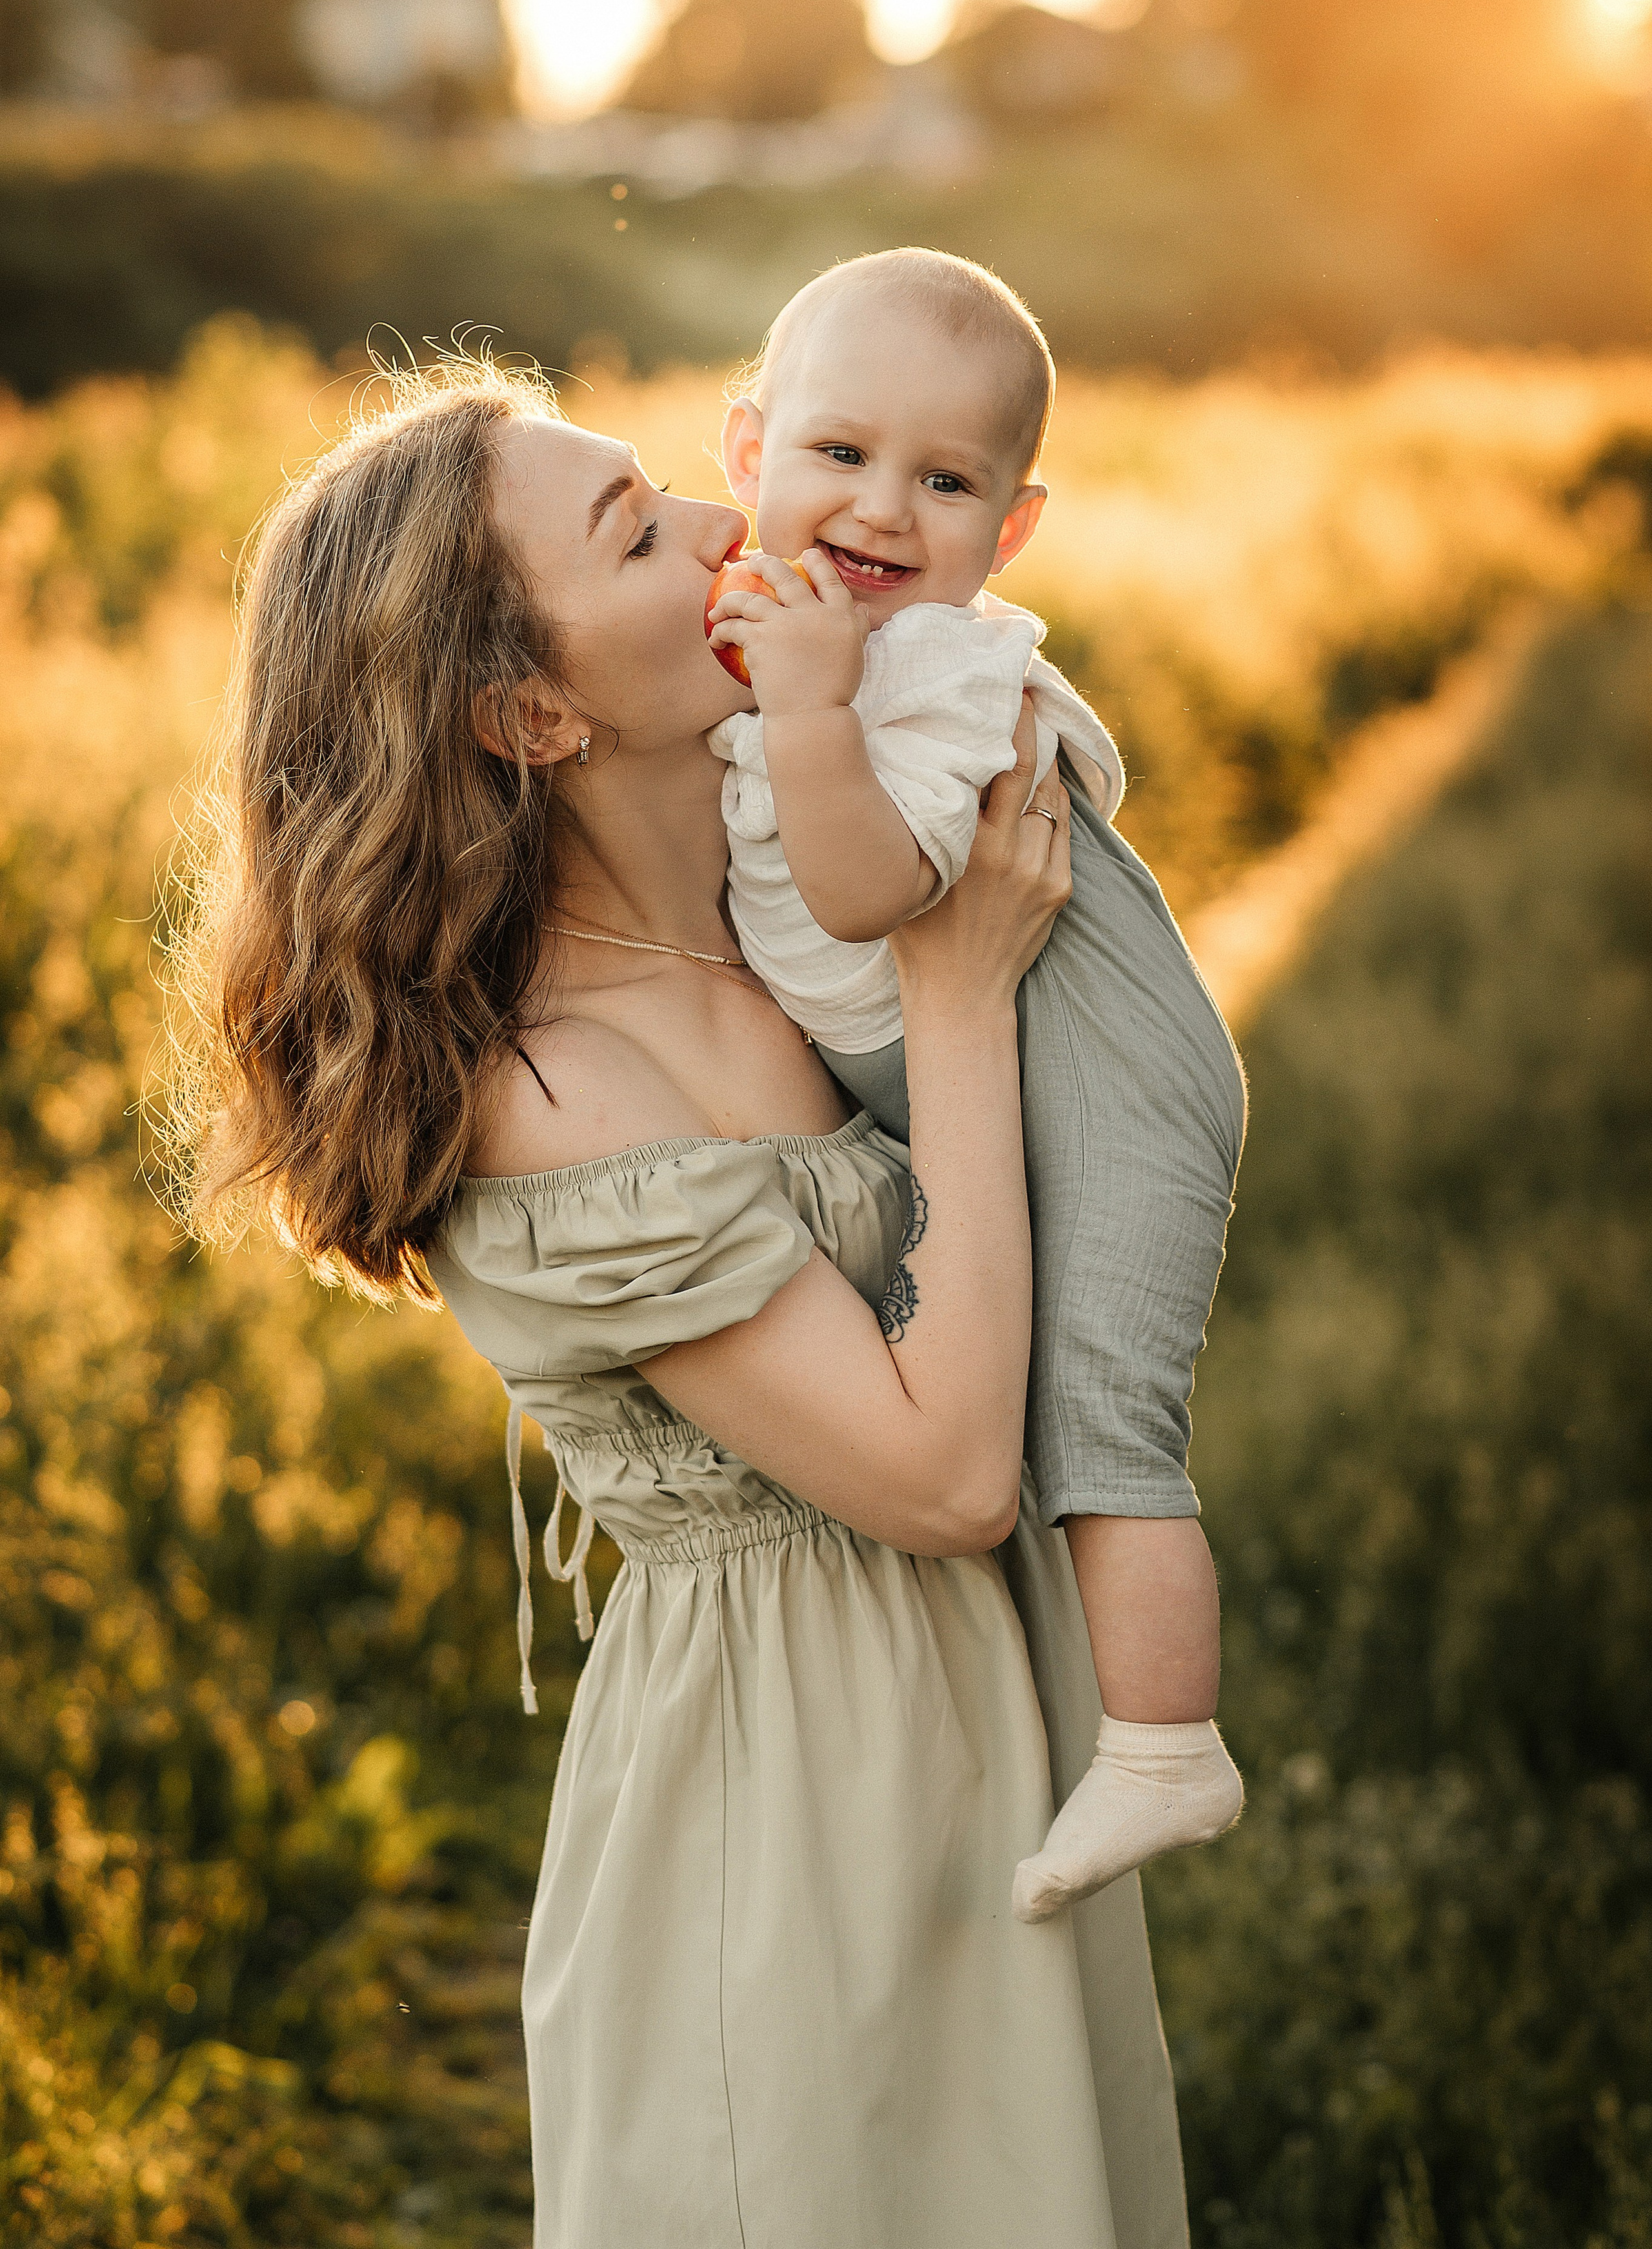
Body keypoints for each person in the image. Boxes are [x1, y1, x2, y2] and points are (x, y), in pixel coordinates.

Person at [171, 360, 1191, 2248]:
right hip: (798, 1797)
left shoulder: (780, 903)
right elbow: (948, 1472)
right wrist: (958, 999)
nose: (739, 529)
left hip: (988, 1724)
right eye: (641, 532)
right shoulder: (549, 1097)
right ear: (533, 710)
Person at [705, 248, 1247, 1921]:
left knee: (1098, 1408)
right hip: (961, 1046)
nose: (881, 509)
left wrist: (806, 715)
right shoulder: (770, 620)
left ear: (1009, 531)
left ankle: (1169, 1750)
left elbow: (870, 892)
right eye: (840, 454)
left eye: (944, 482)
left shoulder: (939, 672)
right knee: (993, 1362)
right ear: (747, 454)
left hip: (1108, 1067)